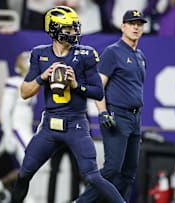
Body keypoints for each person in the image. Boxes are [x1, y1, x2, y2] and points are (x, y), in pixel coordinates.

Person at [11, 6, 126, 203]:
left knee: (92, 176)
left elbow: (98, 92)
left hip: (76, 124)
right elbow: (24, 92)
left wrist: (76, 85)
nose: (74, 33)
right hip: (49, 125)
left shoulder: (85, 54)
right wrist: (42, 77)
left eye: (74, 28)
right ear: (54, 30)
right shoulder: (40, 54)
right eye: (68, 29)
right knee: (24, 173)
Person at [76, 9, 147, 203]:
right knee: (112, 168)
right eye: (131, 23)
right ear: (123, 27)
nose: (135, 27)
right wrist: (103, 113)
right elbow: (99, 85)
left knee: (129, 172)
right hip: (117, 116)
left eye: (139, 24)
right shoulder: (112, 52)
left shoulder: (140, 56)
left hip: (135, 118)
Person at [0, 51, 38, 203]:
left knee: (31, 165)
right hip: (17, 129)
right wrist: (7, 133)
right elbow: (5, 110)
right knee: (33, 162)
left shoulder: (32, 84)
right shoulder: (14, 83)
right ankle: (28, 197)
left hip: (25, 130)